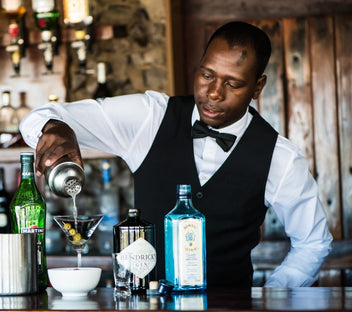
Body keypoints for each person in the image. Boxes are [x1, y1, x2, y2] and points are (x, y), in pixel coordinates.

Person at [20, 21, 333, 288]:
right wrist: (56, 128)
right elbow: (38, 117)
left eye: (232, 83)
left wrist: (272, 295)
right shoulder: (150, 118)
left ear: (257, 86)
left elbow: (313, 243)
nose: (213, 93)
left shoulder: (279, 156)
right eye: (207, 75)